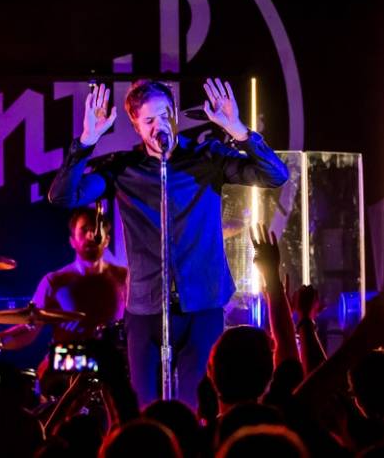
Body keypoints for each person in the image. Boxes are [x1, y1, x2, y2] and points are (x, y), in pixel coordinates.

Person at [49, 78, 289, 408]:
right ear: (135, 125)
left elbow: (276, 175)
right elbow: (63, 197)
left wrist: (237, 130)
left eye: (165, 115)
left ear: (174, 114)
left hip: (202, 301)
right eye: (149, 120)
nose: (159, 125)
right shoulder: (124, 168)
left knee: (195, 404)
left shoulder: (207, 157)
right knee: (145, 406)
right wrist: (87, 141)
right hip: (146, 306)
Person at [0, 207, 127, 372]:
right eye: (84, 230)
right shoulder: (54, 281)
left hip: (111, 368)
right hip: (67, 369)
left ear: (107, 240)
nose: (90, 235)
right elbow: (29, 329)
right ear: (72, 241)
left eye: (96, 230)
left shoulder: (125, 278)